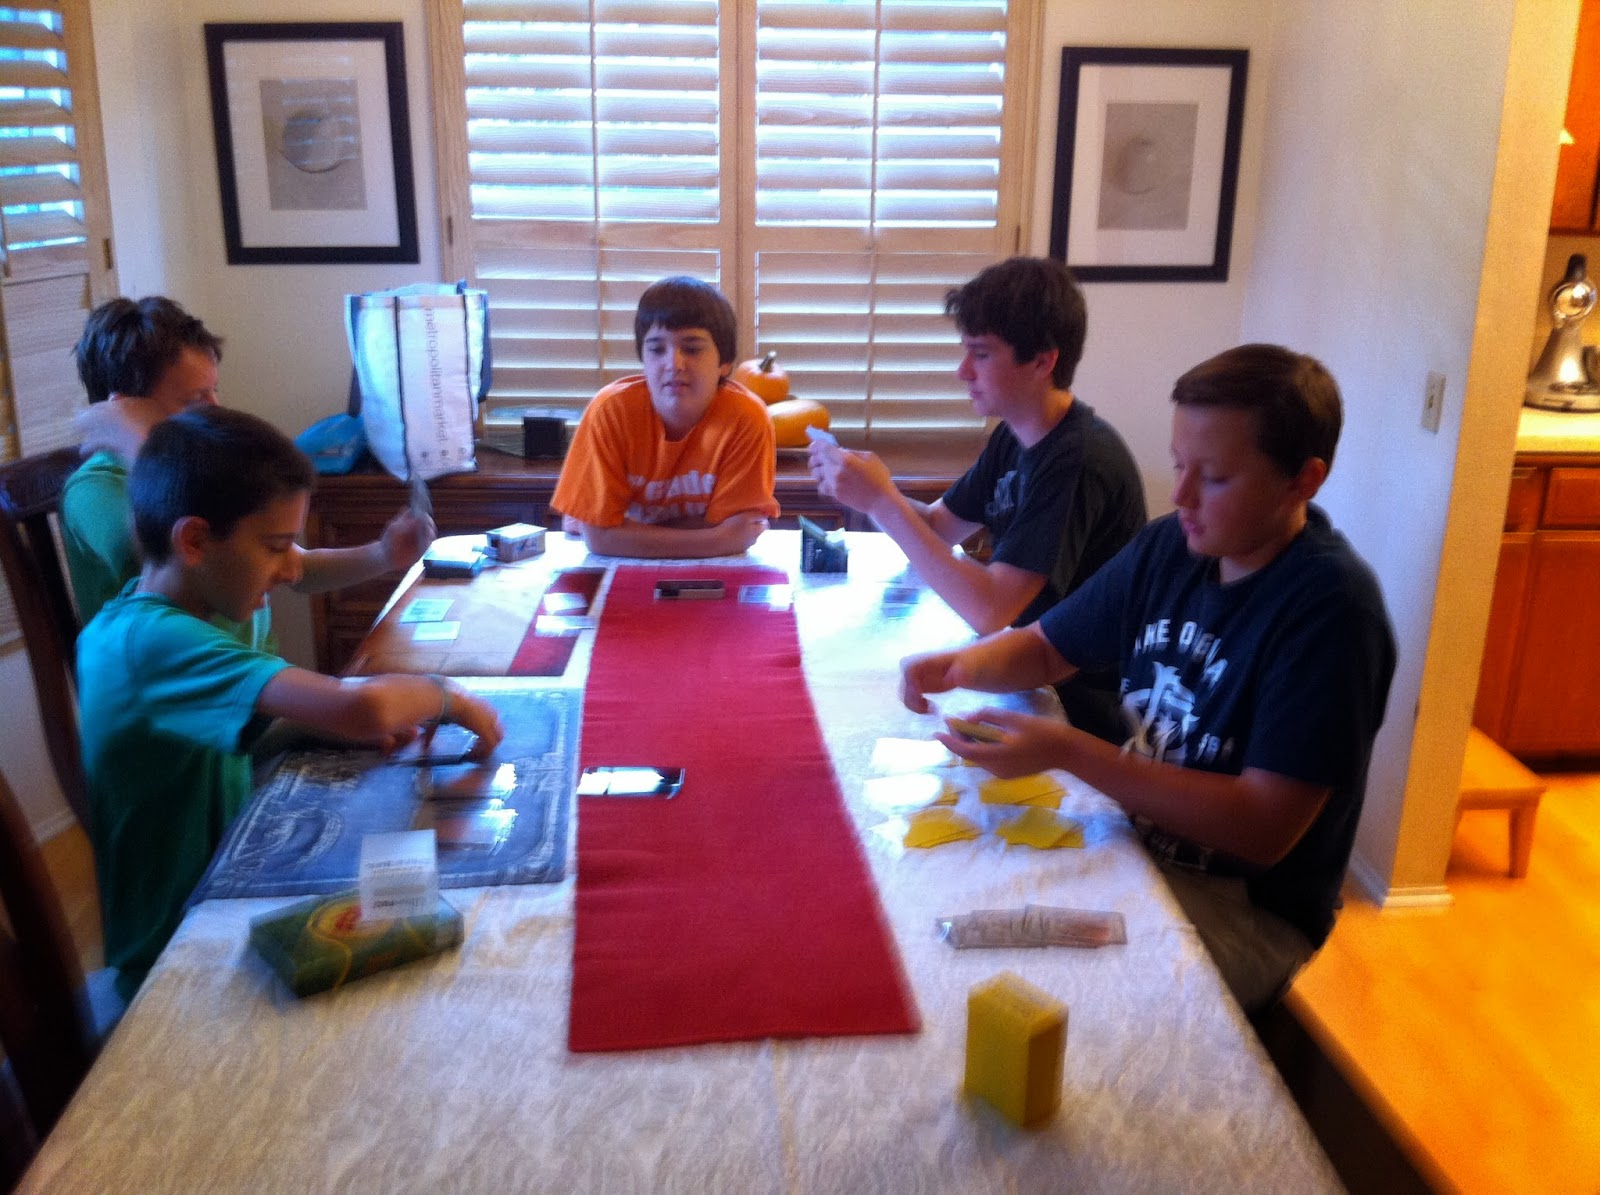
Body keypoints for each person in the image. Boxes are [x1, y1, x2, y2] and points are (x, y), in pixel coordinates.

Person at [900, 344, 1397, 1013]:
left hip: (1245, 908)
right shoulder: (1173, 546)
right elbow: (1046, 649)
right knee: (948, 913)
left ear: (1303, 481)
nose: (1181, 495)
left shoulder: (1332, 612)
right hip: (1138, 843)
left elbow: (1261, 825)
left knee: (1042, 989)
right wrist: (959, 665)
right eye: (1178, 464)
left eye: (1214, 478)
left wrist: (1069, 750)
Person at [77, 406, 505, 1003]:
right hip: (173, 955)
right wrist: (446, 695)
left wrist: (300, 729)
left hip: (225, 878)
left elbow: (205, 756)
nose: (290, 568)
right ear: (194, 540)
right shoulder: (151, 642)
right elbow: (363, 709)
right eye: (276, 547)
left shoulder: (180, 607)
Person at [808, 256, 1145, 742]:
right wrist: (865, 488)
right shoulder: (1015, 434)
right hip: (1022, 670)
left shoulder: (1077, 461)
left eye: (981, 354)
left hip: (1077, 708)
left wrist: (882, 501)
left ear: (1043, 361)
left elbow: (990, 610)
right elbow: (938, 527)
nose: (962, 372)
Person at [63, 295, 434, 634]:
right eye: (194, 400)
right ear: (124, 410)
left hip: (248, 678)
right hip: (182, 684)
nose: (216, 408)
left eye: (215, 390)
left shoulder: (204, 468)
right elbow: (160, 555)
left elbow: (295, 566)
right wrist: (137, 443)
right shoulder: (94, 489)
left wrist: (384, 554)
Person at [551, 276, 779, 558]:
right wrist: (714, 538)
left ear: (725, 363)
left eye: (692, 349)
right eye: (657, 349)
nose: (673, 364)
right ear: (642, 359)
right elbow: (599, 539)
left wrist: (626, 529)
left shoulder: (747, 417)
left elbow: (739, 531)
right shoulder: (610, 411)